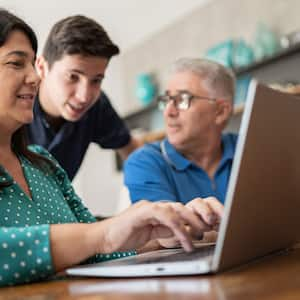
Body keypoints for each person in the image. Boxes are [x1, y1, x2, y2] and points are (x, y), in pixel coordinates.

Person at [0, 10, 223, 287]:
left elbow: (92, 244)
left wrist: (158, 230)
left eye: (30, 64)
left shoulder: (44, 164)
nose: (33, 77)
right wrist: (103, 234)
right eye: (15, 63)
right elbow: (95, 238)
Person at [26, 14, 141, 181]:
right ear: (42, 68)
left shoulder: (98, 106)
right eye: (73, 77)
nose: (84, 96)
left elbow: (132, 151)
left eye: (96, 80)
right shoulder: (12, 104)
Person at [124, 58, 237, 205]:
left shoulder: (251, 148)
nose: (168, 112)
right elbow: (163, 225)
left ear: (221, 112)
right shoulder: (144, 162)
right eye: (166, 100)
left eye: (183, 99)